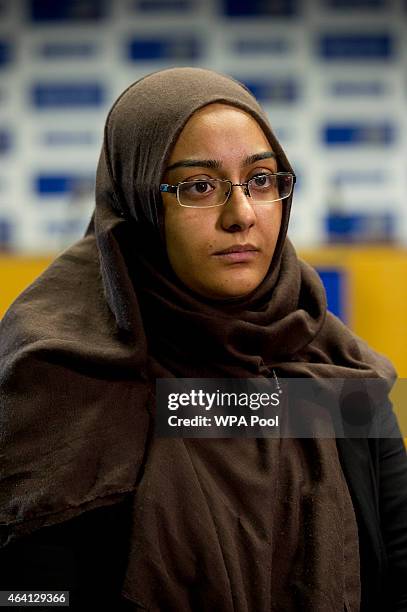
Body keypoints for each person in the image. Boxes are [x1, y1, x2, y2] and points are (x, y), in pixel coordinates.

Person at [0, 67, 406, 612]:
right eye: (198, 187)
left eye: (261, 180)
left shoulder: (338, 371)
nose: (241, 215)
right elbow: (29, 596)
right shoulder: (60, 371)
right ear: (142, 201)